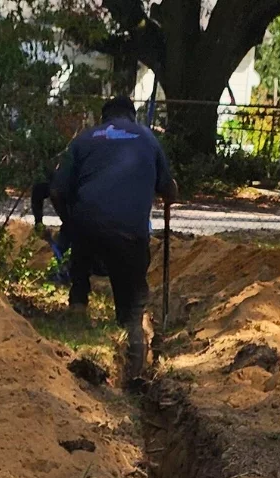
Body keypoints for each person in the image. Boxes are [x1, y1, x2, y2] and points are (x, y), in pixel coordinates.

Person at [50, 96, 178, 385]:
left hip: (87, 226)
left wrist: (70, 224)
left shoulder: (84, 140)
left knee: (81, 255)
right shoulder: (148, 138)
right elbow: (168, 190)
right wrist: (171, 191)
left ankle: (78, 312)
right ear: (132, 116)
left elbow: (57, 191)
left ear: (103, 118)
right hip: (130, 234)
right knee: (131, 302)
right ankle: (135, 360)